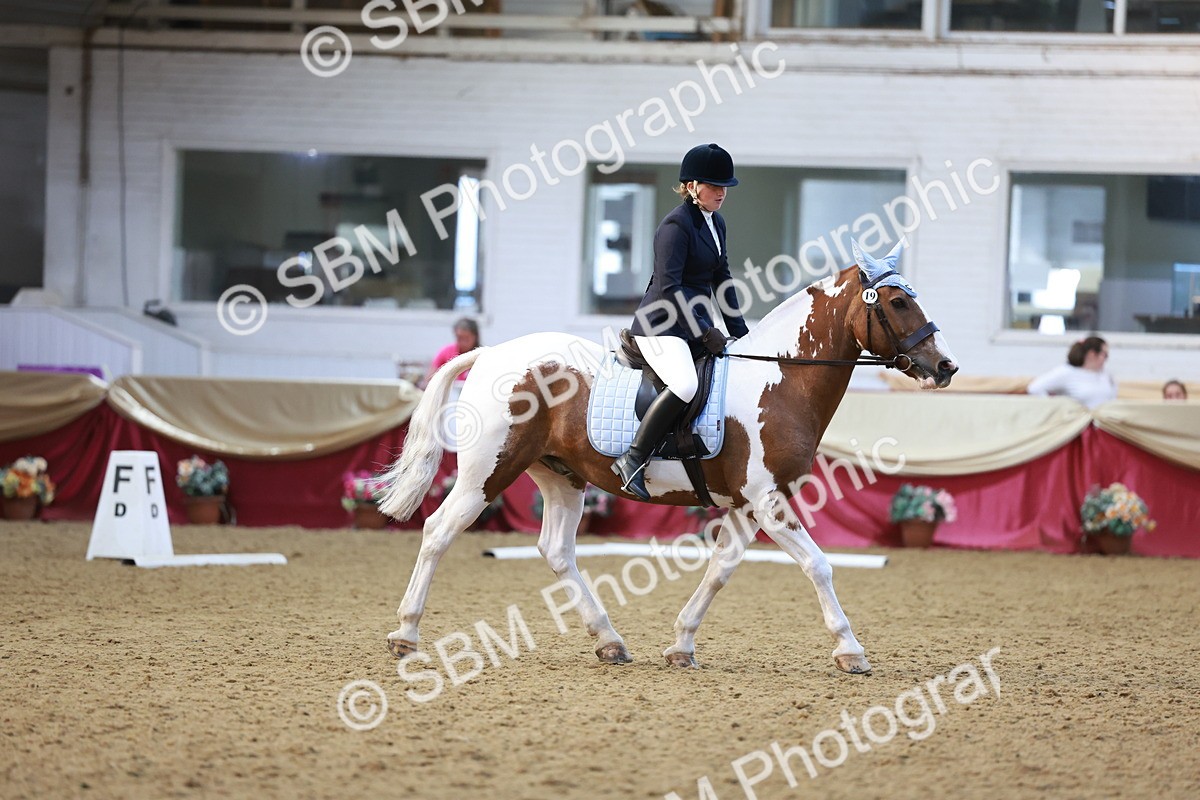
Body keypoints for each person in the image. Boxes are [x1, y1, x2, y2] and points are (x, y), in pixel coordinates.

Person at [611, 143, 750, 500]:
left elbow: (722, 279)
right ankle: (633, 459)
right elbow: (671, 289)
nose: (721, 193)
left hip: (689, 322)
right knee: (686, 384)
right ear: (691, 186)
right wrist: (704, 332)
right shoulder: (675, 225)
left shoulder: (716, 222)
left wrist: (742, 333)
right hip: (660, 324)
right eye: (714, 186)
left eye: (725, 187)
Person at [1026, 335, 1116, 409]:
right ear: (1092, 354)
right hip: (1078, 425)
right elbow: (1034, 388)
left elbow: (1112, 399)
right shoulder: (1066, 371)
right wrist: (1055, 409)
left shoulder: (1106, 375)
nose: (1106, 359)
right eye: (1105, 355)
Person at [421, 318, 480, 388]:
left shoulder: (482, 356)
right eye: (460, 338)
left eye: (466, 339)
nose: (463, 343)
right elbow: (429, 379)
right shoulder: (446, 352)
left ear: (475, 337)